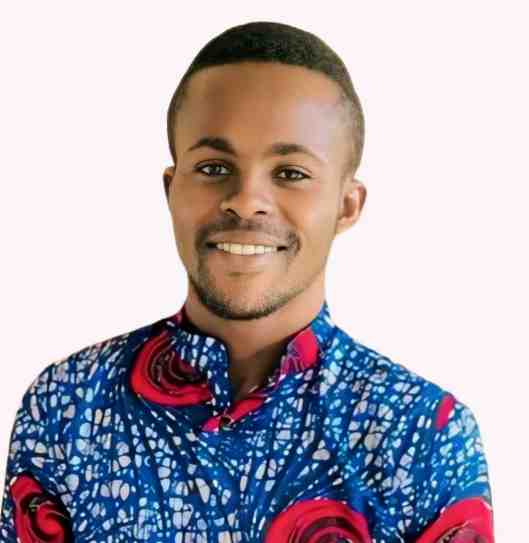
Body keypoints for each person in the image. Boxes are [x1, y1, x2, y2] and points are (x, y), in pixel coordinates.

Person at [0, 20, 494, 543]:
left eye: (290, 173)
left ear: (347, 205)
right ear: (171, 189)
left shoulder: (420, 435)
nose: (245, 200)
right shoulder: (68, 405)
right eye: (214, 168)